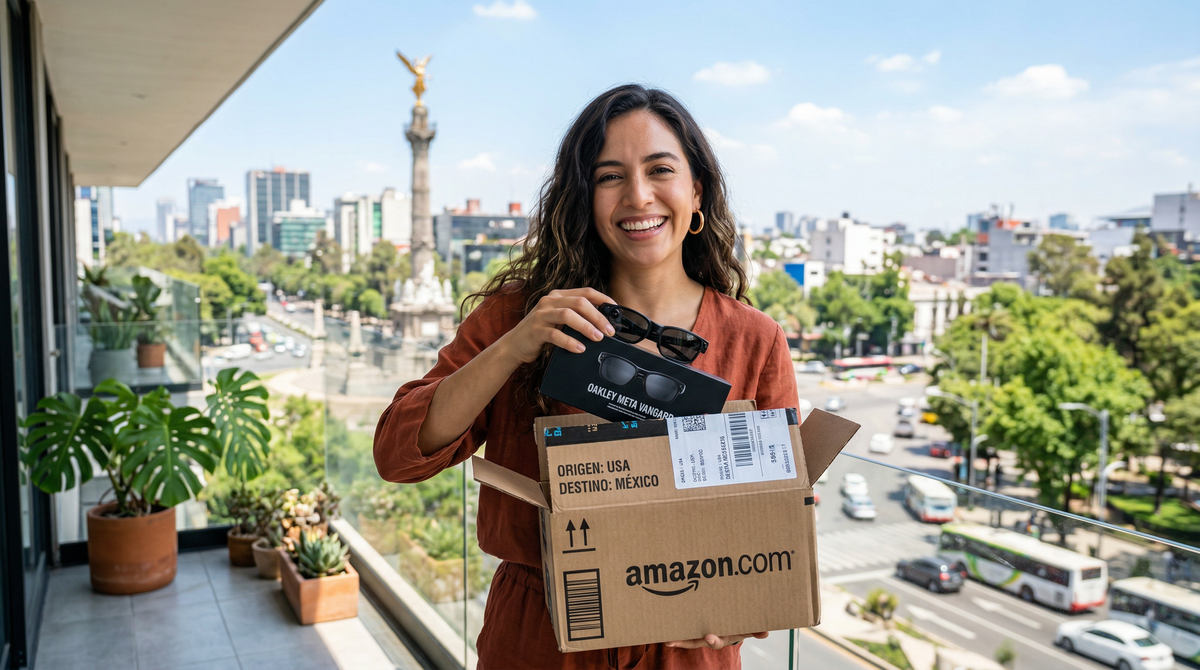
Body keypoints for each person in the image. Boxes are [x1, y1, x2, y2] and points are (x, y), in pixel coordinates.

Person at [373, 84, 799, 669]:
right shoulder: (520, 316)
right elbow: (397, 456)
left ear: (697, 190)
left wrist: (742, 607)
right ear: (583, 197)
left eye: (660, 170)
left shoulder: (754, 339)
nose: (638, 195)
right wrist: (514, 347)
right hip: (541, 638)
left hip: (683, 647)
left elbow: (777, 521)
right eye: (609, 176)